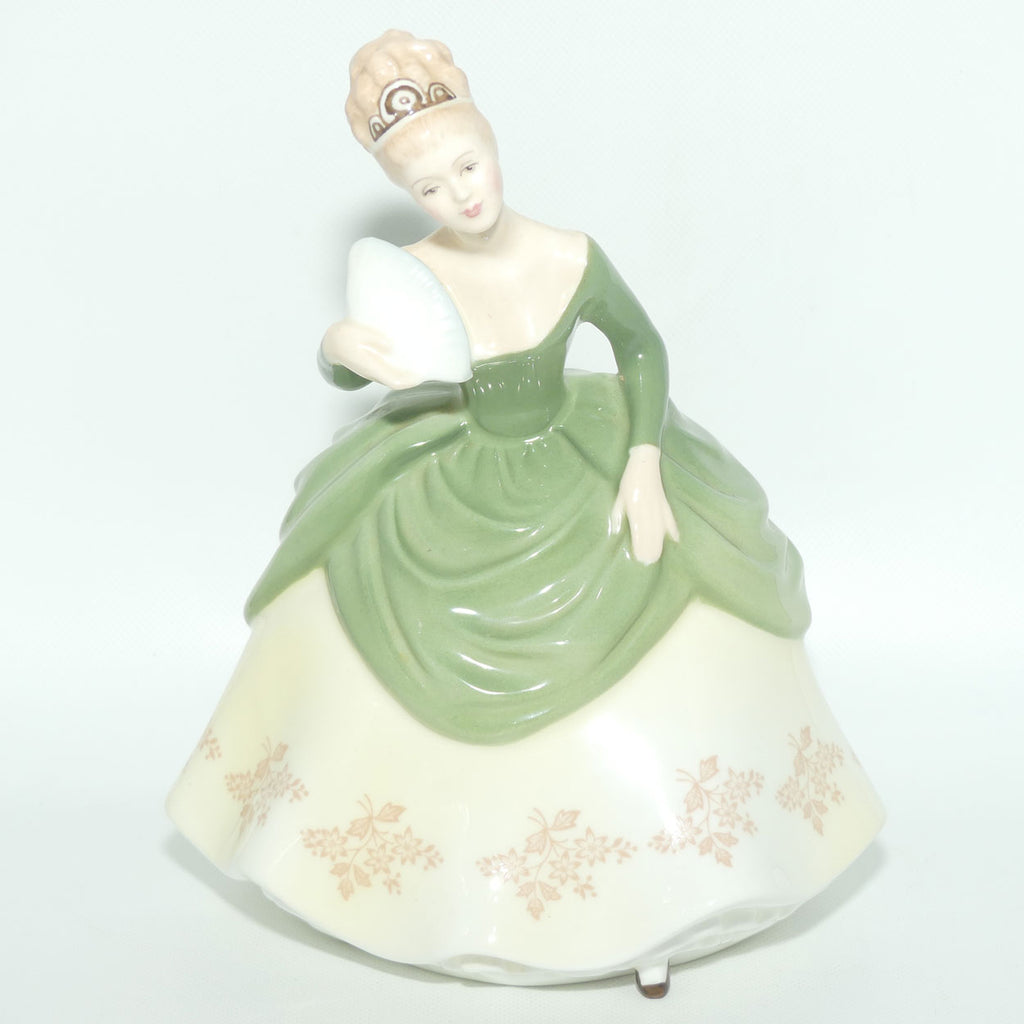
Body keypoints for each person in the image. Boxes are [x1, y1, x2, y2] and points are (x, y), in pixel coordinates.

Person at [168, 31, 883, 996]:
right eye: (430, 187)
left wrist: (642, 462)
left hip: (580, 453)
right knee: (358, 613)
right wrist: (339, 345)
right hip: (454, 468)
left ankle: (661, 903)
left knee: (676, 603)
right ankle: (439, 898)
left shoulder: (568, 255)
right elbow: (358, 363)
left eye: (468, 167)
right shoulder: (416, 272)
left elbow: (641, 349)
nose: (460, 197)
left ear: (493, 144)